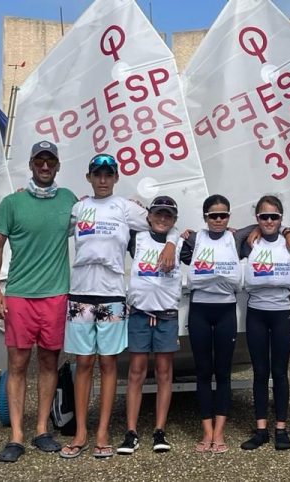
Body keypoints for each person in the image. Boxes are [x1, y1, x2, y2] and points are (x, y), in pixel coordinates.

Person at [60, 154, 178, 459]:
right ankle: (81, 432)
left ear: (115, 178)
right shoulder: (78, 208)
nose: (102, 180)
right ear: (88, 177)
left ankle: (102, 433)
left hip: (112, 295)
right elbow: (50, 222)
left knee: (108, 364)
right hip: (80, 295)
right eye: (97, 174)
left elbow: (163, 223)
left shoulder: (125, 208)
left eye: (108, 174)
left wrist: (171, 243)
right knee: (83, 364)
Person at [0, 141, 78, 462]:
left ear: (57, 165)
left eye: (50, 161)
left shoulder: (69, 199)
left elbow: (98, 221)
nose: (44, 166)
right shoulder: (12, 203)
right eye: (39, 161)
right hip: (20, 295)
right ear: (30, 165)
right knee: (17, 364)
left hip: (55, 295)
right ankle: (16, 435)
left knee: (49, 363)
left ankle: (42, 429)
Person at [117, 196, 182, 456]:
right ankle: (131, 432)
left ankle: (159, 429)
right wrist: (140, 206)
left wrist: (173, 240)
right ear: (150, 215)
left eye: (168, 215)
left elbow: (221, 235)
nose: (162, 218)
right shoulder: (137, 238)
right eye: (158, 213)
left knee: (165, 373)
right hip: (140, 314)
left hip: (166, 315)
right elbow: (117, 215)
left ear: (174, 220)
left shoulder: (180, 241)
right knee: (136, 372)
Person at [180, 194, 245, 455]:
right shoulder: (194, 239)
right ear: (205, 218)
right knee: (204, 372)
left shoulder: (236, 237)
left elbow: (265, 226)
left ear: (229, 217)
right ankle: (206, 432)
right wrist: (180, 236)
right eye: (213, 216)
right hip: (200, 311)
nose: (218, 220)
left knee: (223, 372)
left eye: (223, 215)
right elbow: (171, 242)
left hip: (225, 310)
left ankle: (220, 432)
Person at [238, 196, 290, 451]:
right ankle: (261, 429)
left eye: (274, 217)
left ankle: (281, 429)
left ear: (281, 218)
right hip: (257, 313)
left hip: (282, 312)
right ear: (257, 219)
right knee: (260, 373)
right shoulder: (248, 242)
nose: (269, 221)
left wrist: (287, 230)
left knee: (280, 372)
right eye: (264, 217)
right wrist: (253, 229)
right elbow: (228, 231)